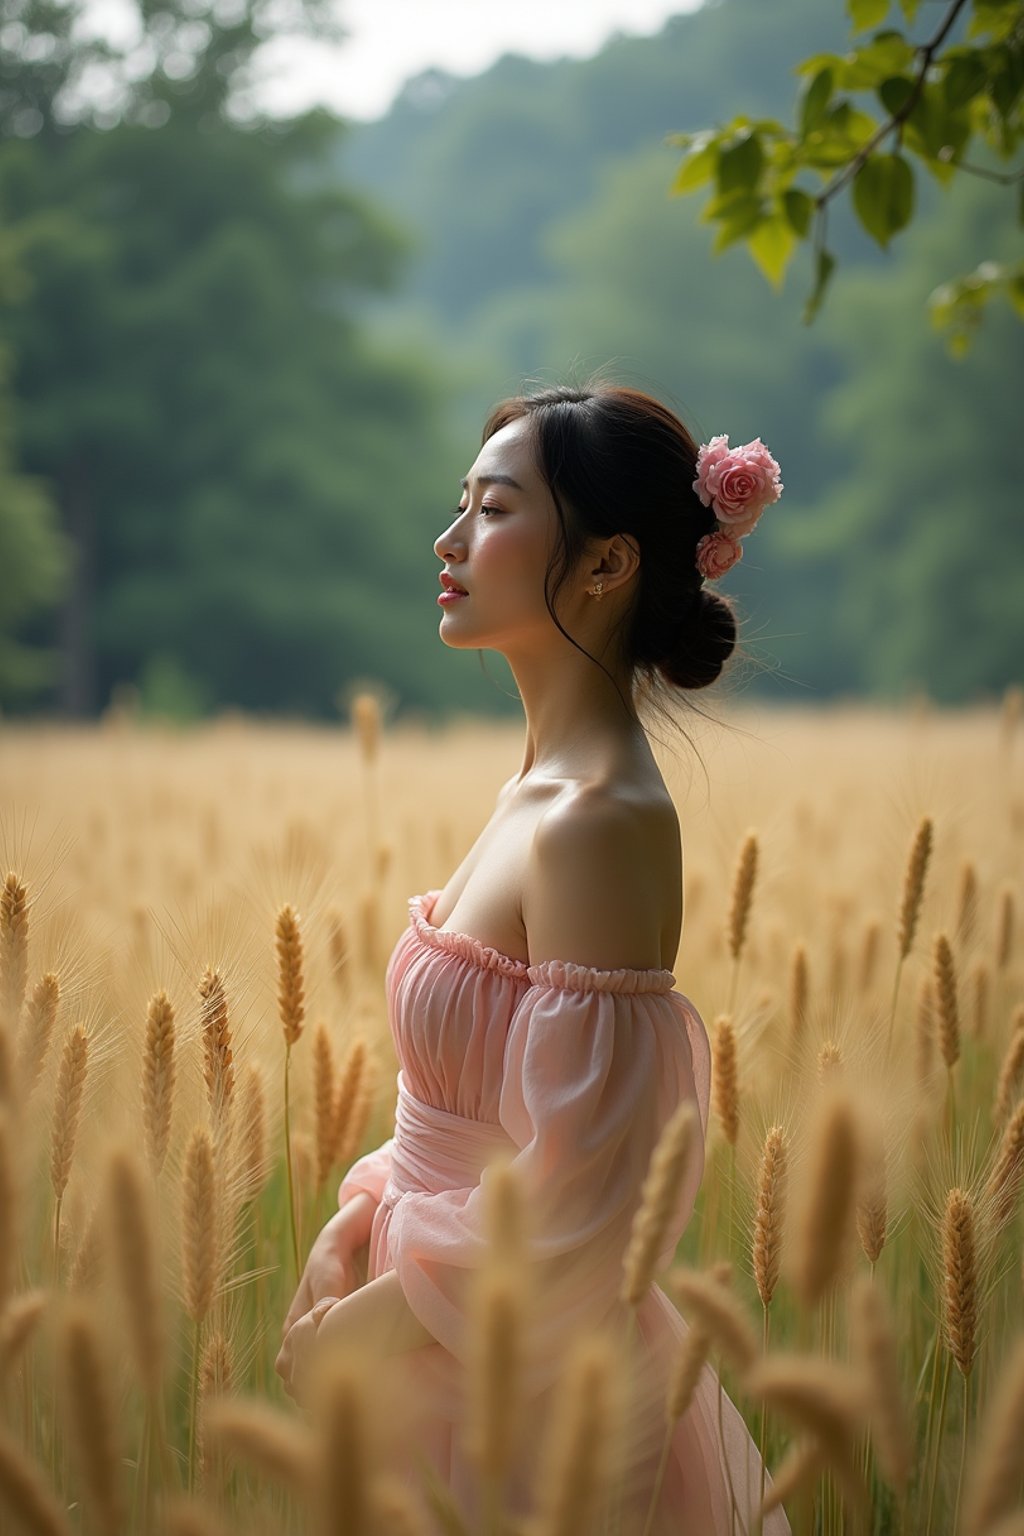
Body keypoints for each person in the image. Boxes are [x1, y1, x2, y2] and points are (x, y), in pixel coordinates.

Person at [276, 382, 790, 1534]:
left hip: (517, 1388)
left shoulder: (597, 821)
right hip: (431, 1329)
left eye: (494, 510)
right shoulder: (535, 794)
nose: (449, 540)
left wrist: (372, 1322)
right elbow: (457, 1115)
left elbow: (593, 1193)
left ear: (606, 566)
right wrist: (348, 1230)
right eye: (461, 504)